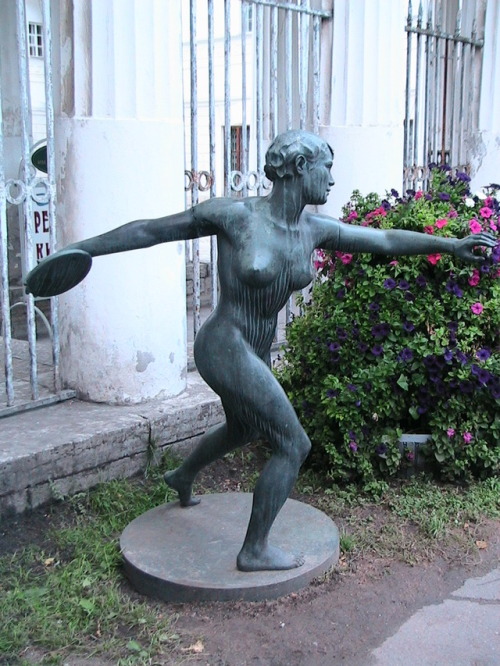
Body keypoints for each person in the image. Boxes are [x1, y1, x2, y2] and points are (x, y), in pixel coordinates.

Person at [25, 130, 496, 572]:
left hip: (257, 350)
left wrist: (451, 245)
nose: (332, 179)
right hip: (224, 344)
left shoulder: (315, 230)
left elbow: (388, 240)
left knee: (245, 428)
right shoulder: (235, 216)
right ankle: (254, 550)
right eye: (325, 168)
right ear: (296, 166)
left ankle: (182, 476)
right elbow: (152, 230)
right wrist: (82, 249)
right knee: (294, 443)